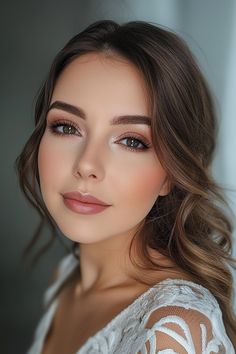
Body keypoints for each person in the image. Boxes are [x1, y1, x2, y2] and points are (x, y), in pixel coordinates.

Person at [16, 20, 236, 353]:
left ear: (171, 173)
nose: (87, 165)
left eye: (132, 141)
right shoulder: (67, 278)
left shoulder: (173, 333)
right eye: (66, 127)